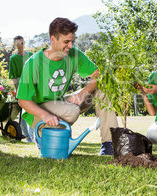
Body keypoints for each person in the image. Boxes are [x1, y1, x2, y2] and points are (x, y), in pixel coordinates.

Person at [16, 17, 118, 155]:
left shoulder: (74, 55)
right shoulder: (33, 63)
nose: (70, 46)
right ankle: (42, 134)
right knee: (72, 110)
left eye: (72, 41)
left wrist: (83, 93)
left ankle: (108, 144)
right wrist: (45, 115)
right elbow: (23, 100)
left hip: (60, 104)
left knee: (102, 89)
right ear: (53, 40)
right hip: (37, 111)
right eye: (66, 42)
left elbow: (96, 74)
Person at [9, 35, 35, 143]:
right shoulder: (13, 58)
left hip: (32, 85)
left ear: (24, 43)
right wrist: (18, 89)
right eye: (18, 44)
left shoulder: (31, 56)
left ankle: (33, 135)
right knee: (23, 111)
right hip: (21, 85)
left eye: (22, 43)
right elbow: (13, 76)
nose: (20, 46)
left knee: (33, 110)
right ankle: (27, 136)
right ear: (15, 45)